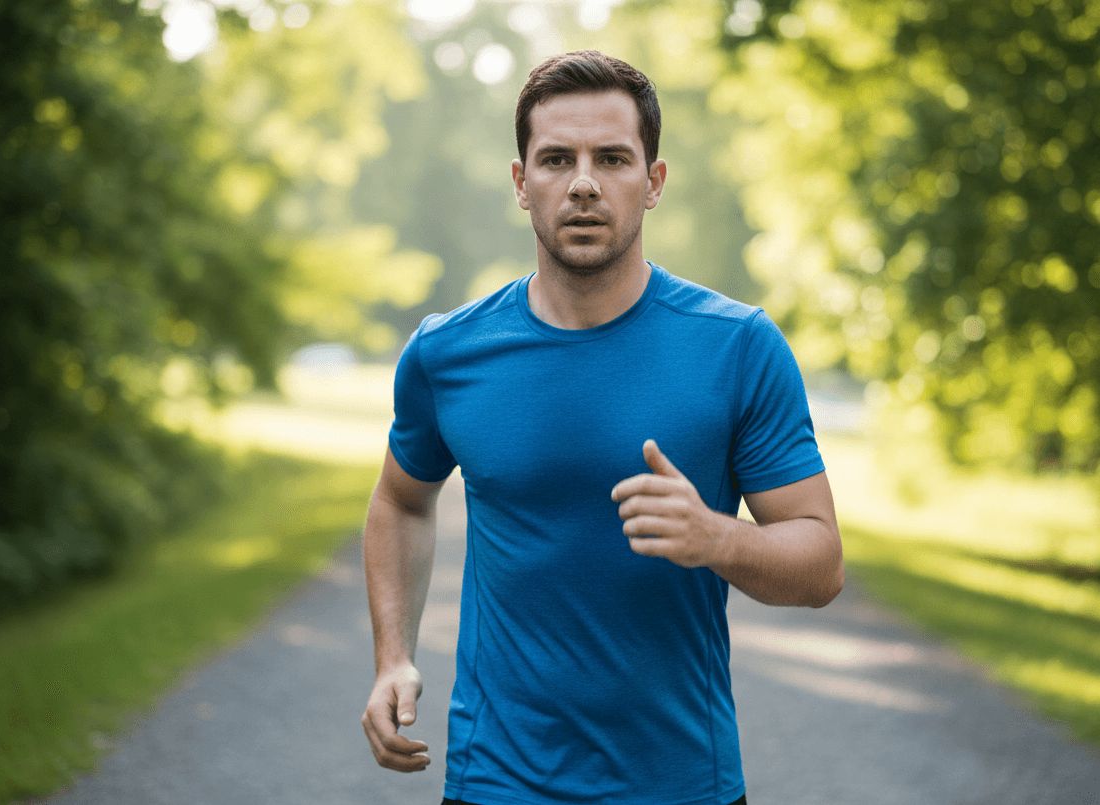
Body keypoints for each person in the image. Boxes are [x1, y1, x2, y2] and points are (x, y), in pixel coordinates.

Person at [361, 50, 844, 805]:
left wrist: (718, 537)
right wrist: (393, 656)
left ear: (651, 183)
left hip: (682, 782)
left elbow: (820, 566)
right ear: (522, 184)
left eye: (611, 158)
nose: (582, 182)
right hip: (495, 778)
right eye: (556, 159)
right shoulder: (446, 352)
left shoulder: (738, 346)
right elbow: (400, 499)